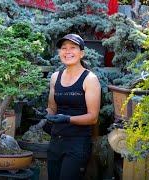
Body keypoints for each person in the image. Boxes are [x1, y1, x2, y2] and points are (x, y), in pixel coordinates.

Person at [44, 34, 101, 180]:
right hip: (56, 140)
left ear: (81, 53)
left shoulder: (90, 79)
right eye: (63, 48)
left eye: (73, 48)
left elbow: (93, 118)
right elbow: (52, 108)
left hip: (77, 143)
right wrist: (46, 114)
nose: (67, 51)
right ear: (59, 53)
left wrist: (67, 119)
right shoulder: (55, 77)